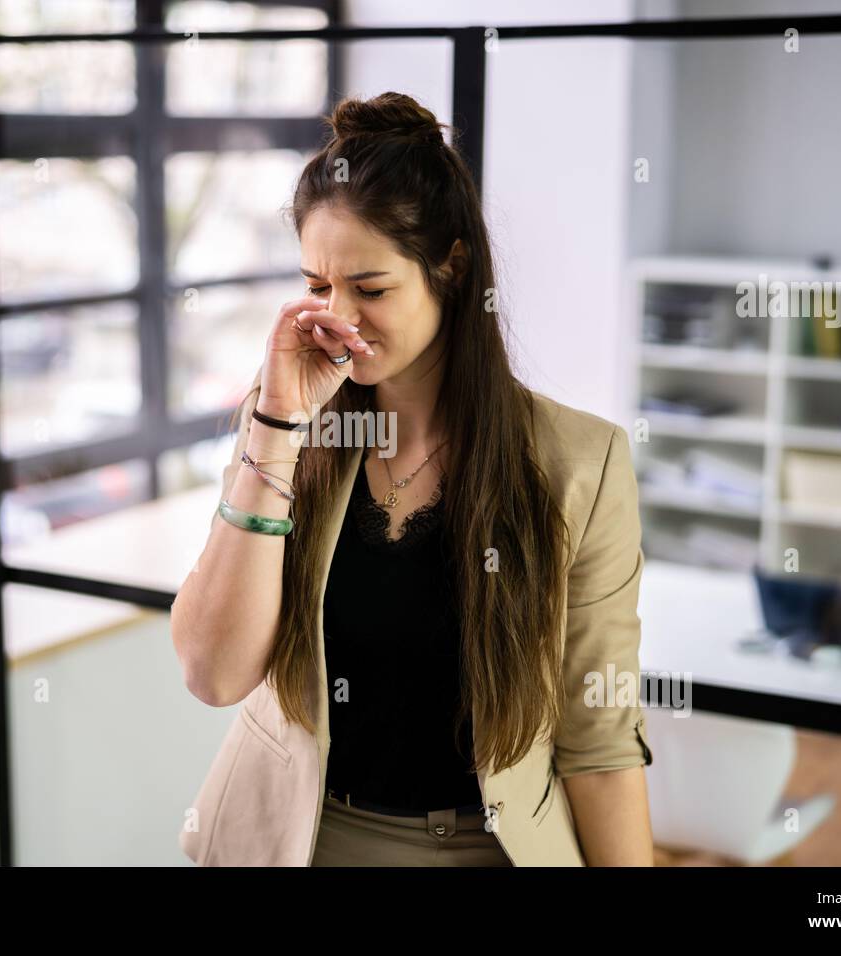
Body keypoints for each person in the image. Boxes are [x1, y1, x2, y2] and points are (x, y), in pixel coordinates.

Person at [172, 91, 654, 867]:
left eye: (372, 289)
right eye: (318, 286)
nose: (340, 319)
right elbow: (213, 672)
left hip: (487, 850)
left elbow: (599, 740)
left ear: (451, 268)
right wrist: (277, 426)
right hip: (305, 842)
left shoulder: (580, 462)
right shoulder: (285, 429)